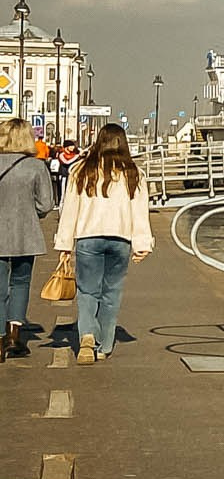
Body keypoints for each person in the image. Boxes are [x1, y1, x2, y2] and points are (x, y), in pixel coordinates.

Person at [53, 124, 149, 364]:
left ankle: (86, 335)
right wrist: (142, 244)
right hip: (120, 239)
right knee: (111, 293)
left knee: (87, 291)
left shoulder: (81, 170)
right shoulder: (133, 172)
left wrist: (65, 244)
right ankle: (104, 345)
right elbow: (139, 212)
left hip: (88, 238)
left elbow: (69, 209)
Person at [0, 119, 57, 361]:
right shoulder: (35, 166)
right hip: (25, 233)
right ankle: (14, 336)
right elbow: (46, 204)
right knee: (20, 283)